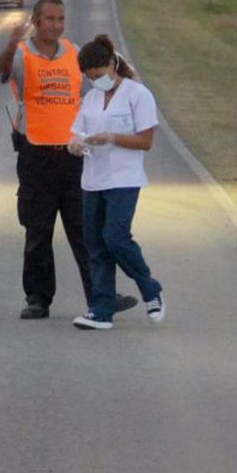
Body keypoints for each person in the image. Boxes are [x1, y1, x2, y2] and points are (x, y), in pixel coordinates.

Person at [0, 0, 136, 320]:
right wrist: (10, 42)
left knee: (87, 230)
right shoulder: (21, 54)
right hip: (36, 155)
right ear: (36, 21)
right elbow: (4, 73)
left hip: (75, 154)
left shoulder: (74, 53)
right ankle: (38, 299)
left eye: (61, 19)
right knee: (38, 231)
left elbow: (106, 79)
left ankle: (102, 296)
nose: (56, 25)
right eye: (50, 19)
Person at [68, 35, 165, 330]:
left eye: (98, 75)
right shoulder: (92, 98)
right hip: (93, 180)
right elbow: (77, 131)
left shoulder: (138, 95)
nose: (96, 82)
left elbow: (145, 141)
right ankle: (101, 309)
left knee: (115, 237)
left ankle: (149, 286)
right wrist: (75, 144)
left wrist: (112, 137)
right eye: (90, 78)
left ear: (112, 65)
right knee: (94, 244)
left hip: (124, 179)